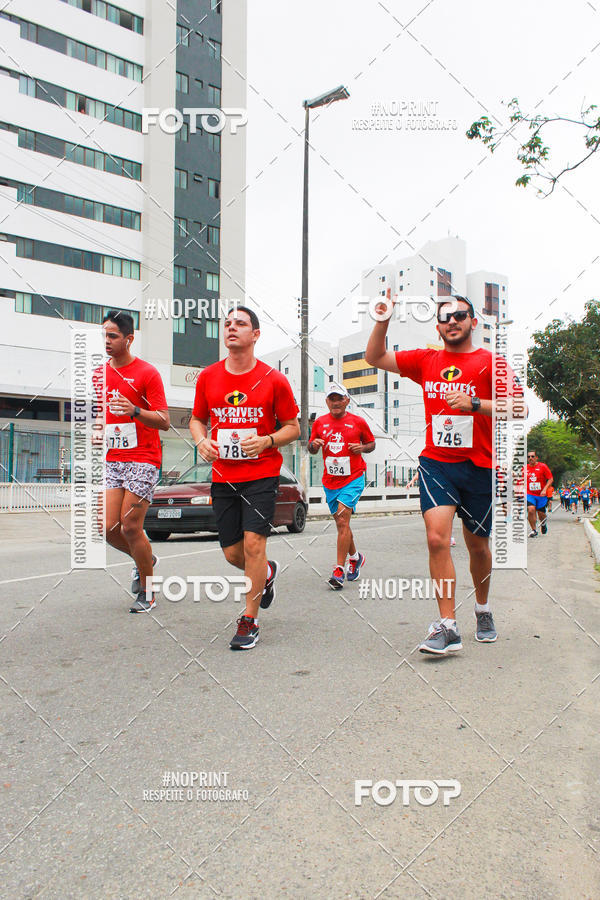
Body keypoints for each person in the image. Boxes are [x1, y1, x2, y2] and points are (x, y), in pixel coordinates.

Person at [366, 295, 525, 655]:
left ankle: (482, 609)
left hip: (479, 467)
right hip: (436, 462)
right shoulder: (426, 360)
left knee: (478, 547)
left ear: (473, 322)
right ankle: (447, 625)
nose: (452, 321)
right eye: (444, 318)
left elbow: (519, 407)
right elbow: (374, 357)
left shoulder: (492, 363)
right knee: (437, 539)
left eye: (459, 316)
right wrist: (383, 320)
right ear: (437, 327)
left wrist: (474, 404)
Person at [189, 306, 300, 650]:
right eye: (227, 324)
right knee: (233, 554)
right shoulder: (208, 377)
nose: (232, 328)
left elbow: (293, 428)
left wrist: (267, 440)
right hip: (224, 476)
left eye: (240, 323)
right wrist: (201, 440)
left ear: (255, 335)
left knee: (254, 545)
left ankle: (249, 619)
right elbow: (196, 419)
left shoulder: (273, 379)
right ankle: (266, 573)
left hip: (262, 474)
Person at [98, 311, 170, 612]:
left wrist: (135, 410)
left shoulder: (147, 373)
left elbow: (164, 421)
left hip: (144, 457)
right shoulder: (99, 373)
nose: (107, 341)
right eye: (104, 335)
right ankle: (145, 560)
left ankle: (148, 591)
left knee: (130, 525)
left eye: (113, 335)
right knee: (107, 527)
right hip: (114, 458)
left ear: (129, 338)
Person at [308, 384, 375, 589]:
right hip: (330, 481)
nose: (335, 402)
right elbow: (311, 448)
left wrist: (362, 447)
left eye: (339, 399)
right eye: (332, 399)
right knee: (341, 523)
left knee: (342, 521)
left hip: (353, 478)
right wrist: (315, 445)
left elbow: (371, 444)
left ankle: (339, 569)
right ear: (327, 402)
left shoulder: (358, 422)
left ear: (347, 400)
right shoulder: (319, 423)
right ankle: (355, 557)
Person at [526, 450, 553, 537]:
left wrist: (545, 489)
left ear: (536, 457)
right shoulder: (524, 468)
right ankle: (534, 530)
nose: (530, 458)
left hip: (541, 494)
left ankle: (543, 524)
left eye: (532, 456)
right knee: (531, 510)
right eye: (528, 457)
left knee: (541, 514)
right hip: (529, 494)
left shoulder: (543, 466)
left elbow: (550, 479)